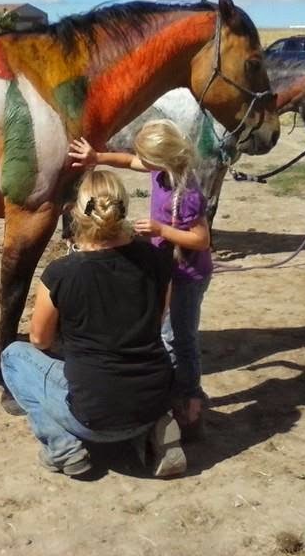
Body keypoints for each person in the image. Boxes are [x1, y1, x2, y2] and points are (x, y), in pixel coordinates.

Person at [0, 169, 186, 478]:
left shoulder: (61, 273)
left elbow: (39, 340)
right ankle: (155, 428)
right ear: (123, 207)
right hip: (153, 399)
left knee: (13, 357)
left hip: (92, 416)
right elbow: (158, 320)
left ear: (77, 212)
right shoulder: (158, 260)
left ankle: (63, 446)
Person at [68, 119, 213, 439]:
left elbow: (201, 240)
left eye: (146, 158)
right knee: (166, 332)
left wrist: (162, 231)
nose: (140, 162)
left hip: (188, 276)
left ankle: (191, 398)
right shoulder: (160, 171)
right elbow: (128, 161)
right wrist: (97, 157)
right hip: (168, 270)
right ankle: (176, 390)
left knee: (181, 338)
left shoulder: (187, 193)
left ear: (163, 159)